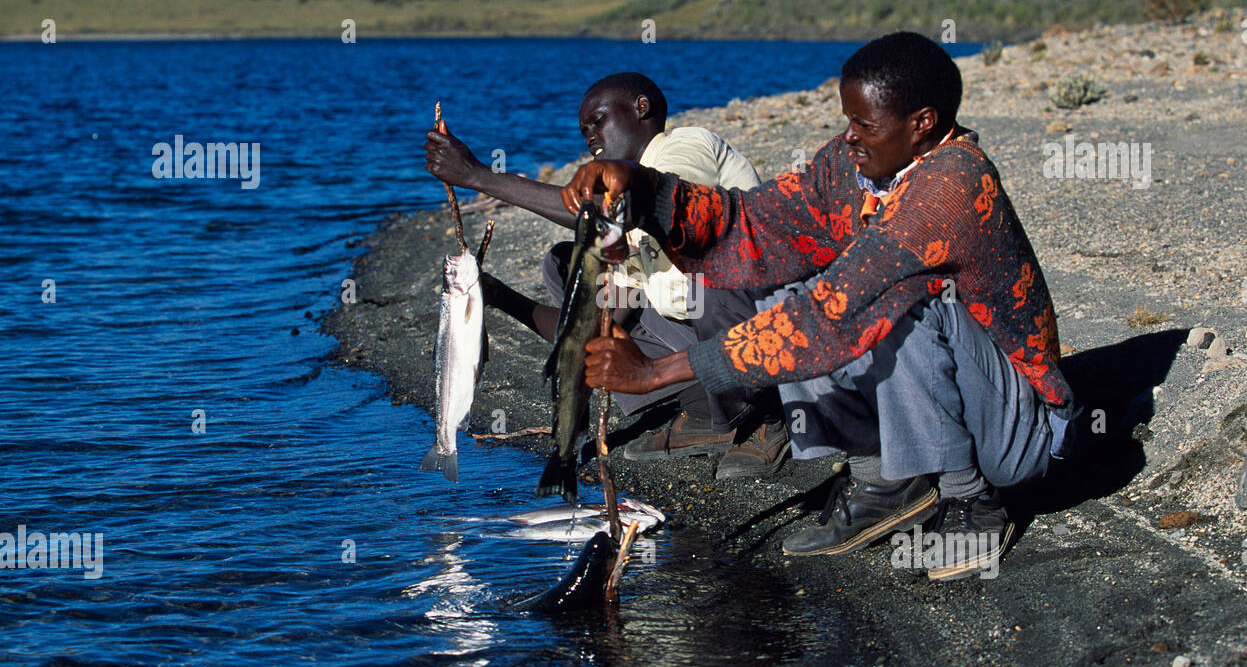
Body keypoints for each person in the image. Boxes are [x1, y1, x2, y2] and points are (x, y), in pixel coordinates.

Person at [564, 33, 1081, 580]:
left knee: (899, 300)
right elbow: (756, 221)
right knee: (780, 280)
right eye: (848, 120)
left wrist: (655, 372)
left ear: (922, 123)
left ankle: (971, 498)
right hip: (955, 395)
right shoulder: (852, 168)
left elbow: (829, 316)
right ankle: (885, 479)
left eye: (865, 125)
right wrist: (643, 189)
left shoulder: (951, 186)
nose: (850, 137)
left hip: (1015, 433)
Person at [423, 72, 789, 479]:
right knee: (567, 265)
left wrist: (479, 177)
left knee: (712, 281)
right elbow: (590, 329)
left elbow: (618, 206)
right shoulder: (633, 243)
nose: (589, 136)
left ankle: (766, 416)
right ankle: (711, 413)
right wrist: (497, 296)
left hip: (765, 328)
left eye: (597, 120)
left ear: (641, 108)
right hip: (703, 329)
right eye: (582, 130)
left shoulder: (684, 146)